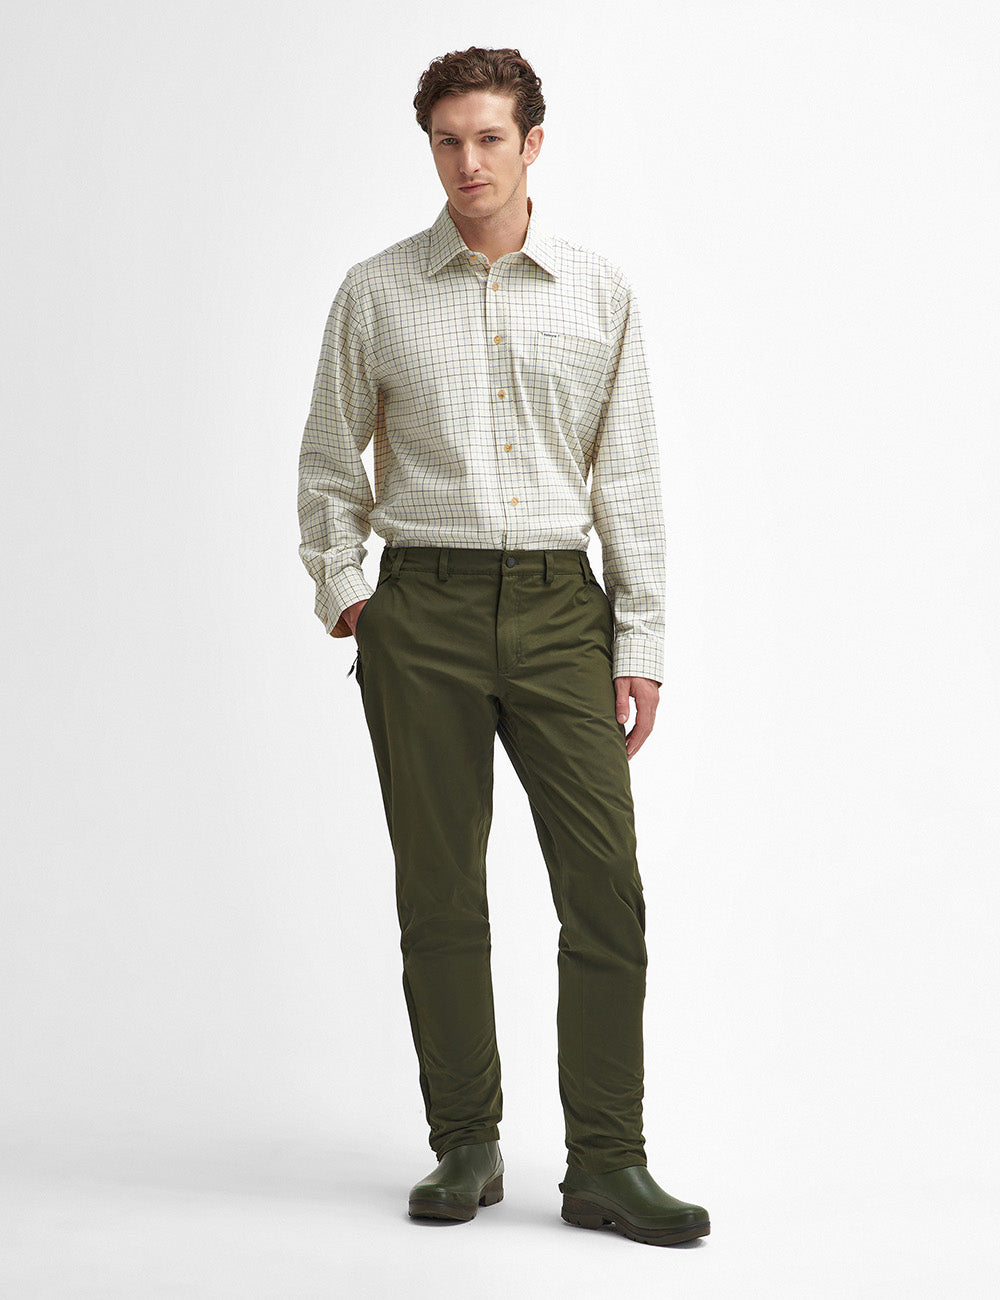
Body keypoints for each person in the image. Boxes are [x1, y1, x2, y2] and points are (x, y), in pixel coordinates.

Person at [296, 46, 710, 1247]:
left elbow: (628, 477)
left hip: (557, 608)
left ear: (532, 144)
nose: (467, 163)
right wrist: (354, 599)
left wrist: (639, 637)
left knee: (605, 889)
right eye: (446, 140)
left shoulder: (598, 292)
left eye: (488, 138)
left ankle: (607, 1161)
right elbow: (328, 465)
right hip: (421, 610)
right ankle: (465, 1143)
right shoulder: (376, 293)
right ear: (429, 146)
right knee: (438, 891)